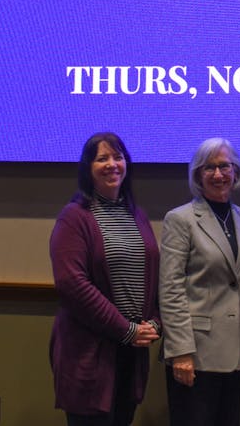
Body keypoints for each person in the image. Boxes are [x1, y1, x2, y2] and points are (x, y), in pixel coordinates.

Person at [49, 132, 161, 426]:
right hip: (89, 356)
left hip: (130, 355)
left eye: (118, 157)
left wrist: (154, 323)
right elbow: (73, 285)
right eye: (102, 158)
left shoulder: (137, 214)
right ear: (88, 168)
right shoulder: (74, 217)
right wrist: (125, 330)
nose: (112, 164)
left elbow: (152, 277)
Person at [159, 137, 240, 426]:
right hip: (194, 355)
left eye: (224, 166)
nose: (218, 174)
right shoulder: (180, 219)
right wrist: (180, 351)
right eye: (209, 168)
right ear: (197, 175)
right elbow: (170, 289)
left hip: (235, 351)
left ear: (236, 171)